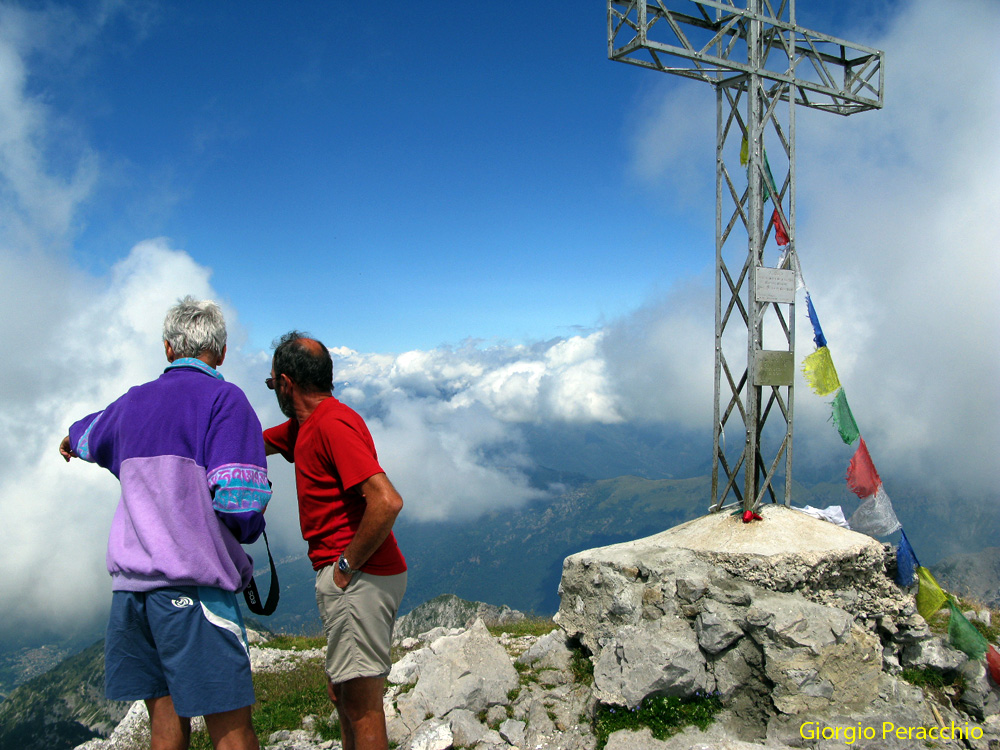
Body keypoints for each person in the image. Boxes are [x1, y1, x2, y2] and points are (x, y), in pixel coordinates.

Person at [59, 296, 271, 750]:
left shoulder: (133, 402)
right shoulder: (225, 400)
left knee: (164, 721)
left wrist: (69, 439)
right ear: (223, 351)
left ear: (168, 349)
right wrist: (246, 537)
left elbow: (90, 434)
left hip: (132, 596)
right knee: (231, 729)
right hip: (191, 589)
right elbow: (240, 506)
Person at [262, 332, 406, 750]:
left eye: (272, 385)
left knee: (362, 707)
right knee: (342, 693)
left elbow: (386, 501)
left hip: (360, 578)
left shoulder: (332, 424)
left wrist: (344, 569)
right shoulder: (304, 428)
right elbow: (247, 441)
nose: (274, 392)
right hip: (361, 578)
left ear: (287, 383)